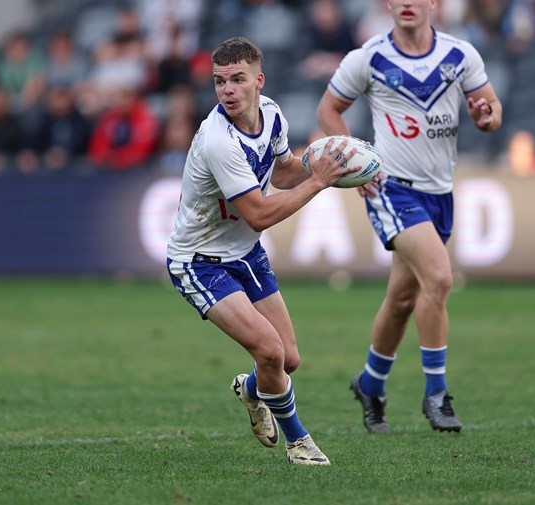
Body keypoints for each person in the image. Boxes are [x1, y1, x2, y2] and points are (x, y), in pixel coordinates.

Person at [166, 37, 360, 465]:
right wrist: (320, 181)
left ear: (259, 80)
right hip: (199, 261)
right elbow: (260, 214)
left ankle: (251, 390)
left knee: (287, 359)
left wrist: (327, 163)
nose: (227, 90)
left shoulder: (271, 114)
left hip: (244, 253)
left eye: (237, 80)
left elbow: (285, 171)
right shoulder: (219, 141)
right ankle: (300, 443)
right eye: (219, 82)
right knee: (269, 352)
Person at [316, 0, 503, 434]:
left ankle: (370, 383)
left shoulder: (460, 55)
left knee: (402, 300)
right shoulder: (368, 58)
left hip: (439, 193)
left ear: (433, 3)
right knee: (439, 279)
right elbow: (329, 110)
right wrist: (350, 161)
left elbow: (491, 112)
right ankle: (436, 394)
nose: (405, 2)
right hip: (391, 188)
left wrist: (486, 117)